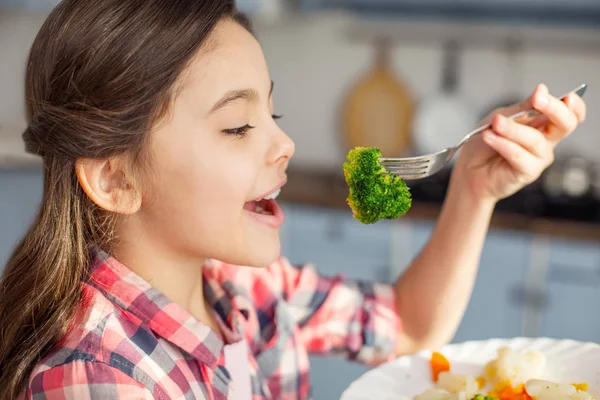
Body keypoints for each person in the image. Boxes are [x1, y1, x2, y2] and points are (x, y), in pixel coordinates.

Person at [0, 0, 586, 399]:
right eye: (237, 126)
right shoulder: (96, 378)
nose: (284, 143)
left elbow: (406, 325)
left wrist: (475, 188)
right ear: (114, 179)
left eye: (271, 113)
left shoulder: (243, 284)